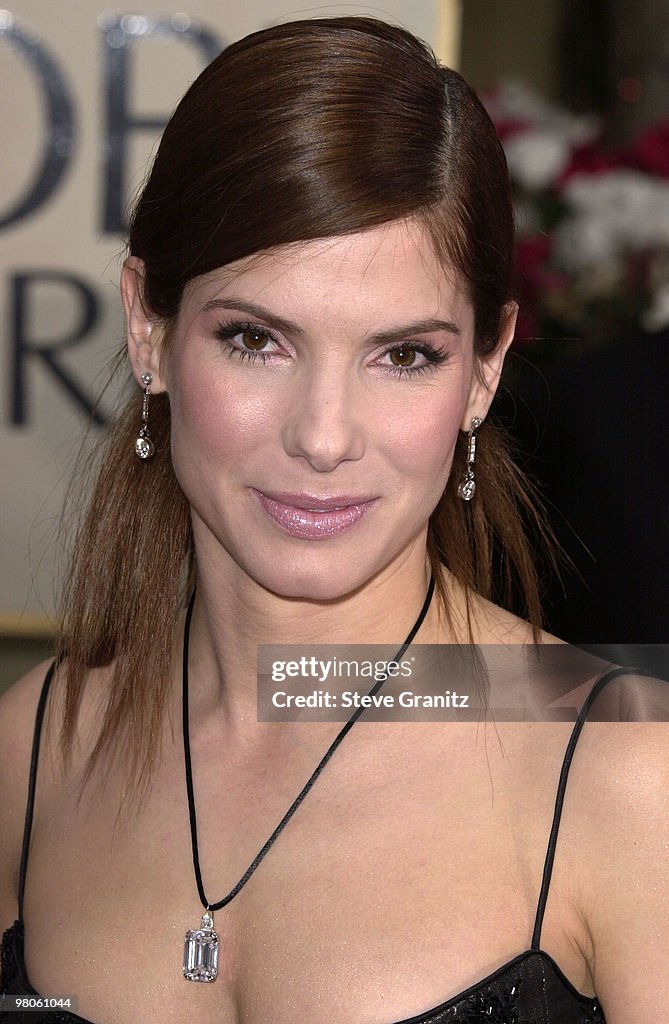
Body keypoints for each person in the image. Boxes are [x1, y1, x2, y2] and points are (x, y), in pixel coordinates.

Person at [0, 17, 667, 1024]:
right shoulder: (35, 745)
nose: (323, 436)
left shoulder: (627, 778)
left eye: (404, 355)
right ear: (150, 329)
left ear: (484, 369)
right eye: (256, 338)